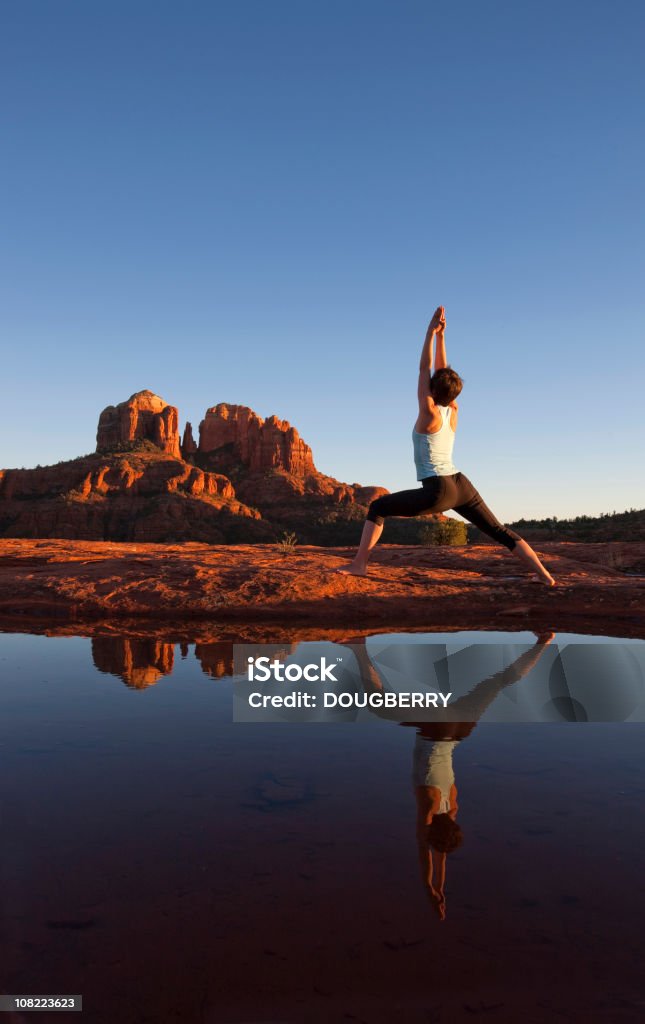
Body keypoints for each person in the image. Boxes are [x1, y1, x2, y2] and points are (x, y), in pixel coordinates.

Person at [336, 306, 555, 585]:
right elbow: (441, 373)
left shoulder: (428, 413)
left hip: (438, 490)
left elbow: (424, 368)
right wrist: (442, 337)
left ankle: (359, 564)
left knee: (378, 507)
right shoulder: (453, 408)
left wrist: (429, 333)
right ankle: (546, 576)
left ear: (432, 391)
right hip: (461, 485)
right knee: (499, 531)